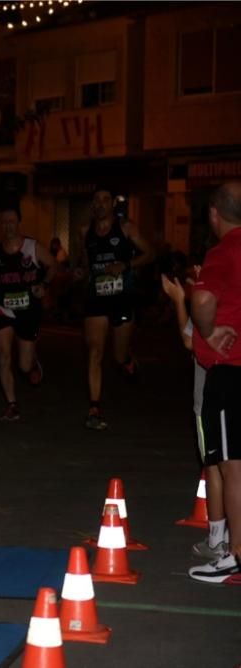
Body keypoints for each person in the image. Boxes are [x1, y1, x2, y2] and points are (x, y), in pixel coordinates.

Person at [188, 182, 241, 584]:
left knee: (231, 464)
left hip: (231, 372)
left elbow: (203, 301)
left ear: (213, 214)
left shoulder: (224, 252)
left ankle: (235, 555)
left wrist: (206, 332)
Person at [161, 271, 229, 563]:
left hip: (211, 400)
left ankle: (217, 541)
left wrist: (178, 299)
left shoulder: (209, 306)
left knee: (214, 467)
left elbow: (189, 340)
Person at [77, 186, 155, 430]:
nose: (100, 204)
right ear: (93, 205)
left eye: (104, 199)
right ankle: (94, 408)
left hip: (122, 296)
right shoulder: (84, 232)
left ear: (112, 204)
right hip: (96, 298)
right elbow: (84, 264)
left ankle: (127, 362)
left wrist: (125, 265)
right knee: (95, 352)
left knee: (118, 356)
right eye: (96, 200)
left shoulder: (126, 228)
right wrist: (80, 272)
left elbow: (150, 253)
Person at [0, 206, 56, 421]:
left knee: (24, 366)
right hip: (3, 308)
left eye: (11, 221)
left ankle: (32, 363)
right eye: (4, 222)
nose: (8, 226)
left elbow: (53, 266)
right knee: (3, 354)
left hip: (29, 310)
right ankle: (12, 404)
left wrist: (43, 284)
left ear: (19, 223)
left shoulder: (33, 246)